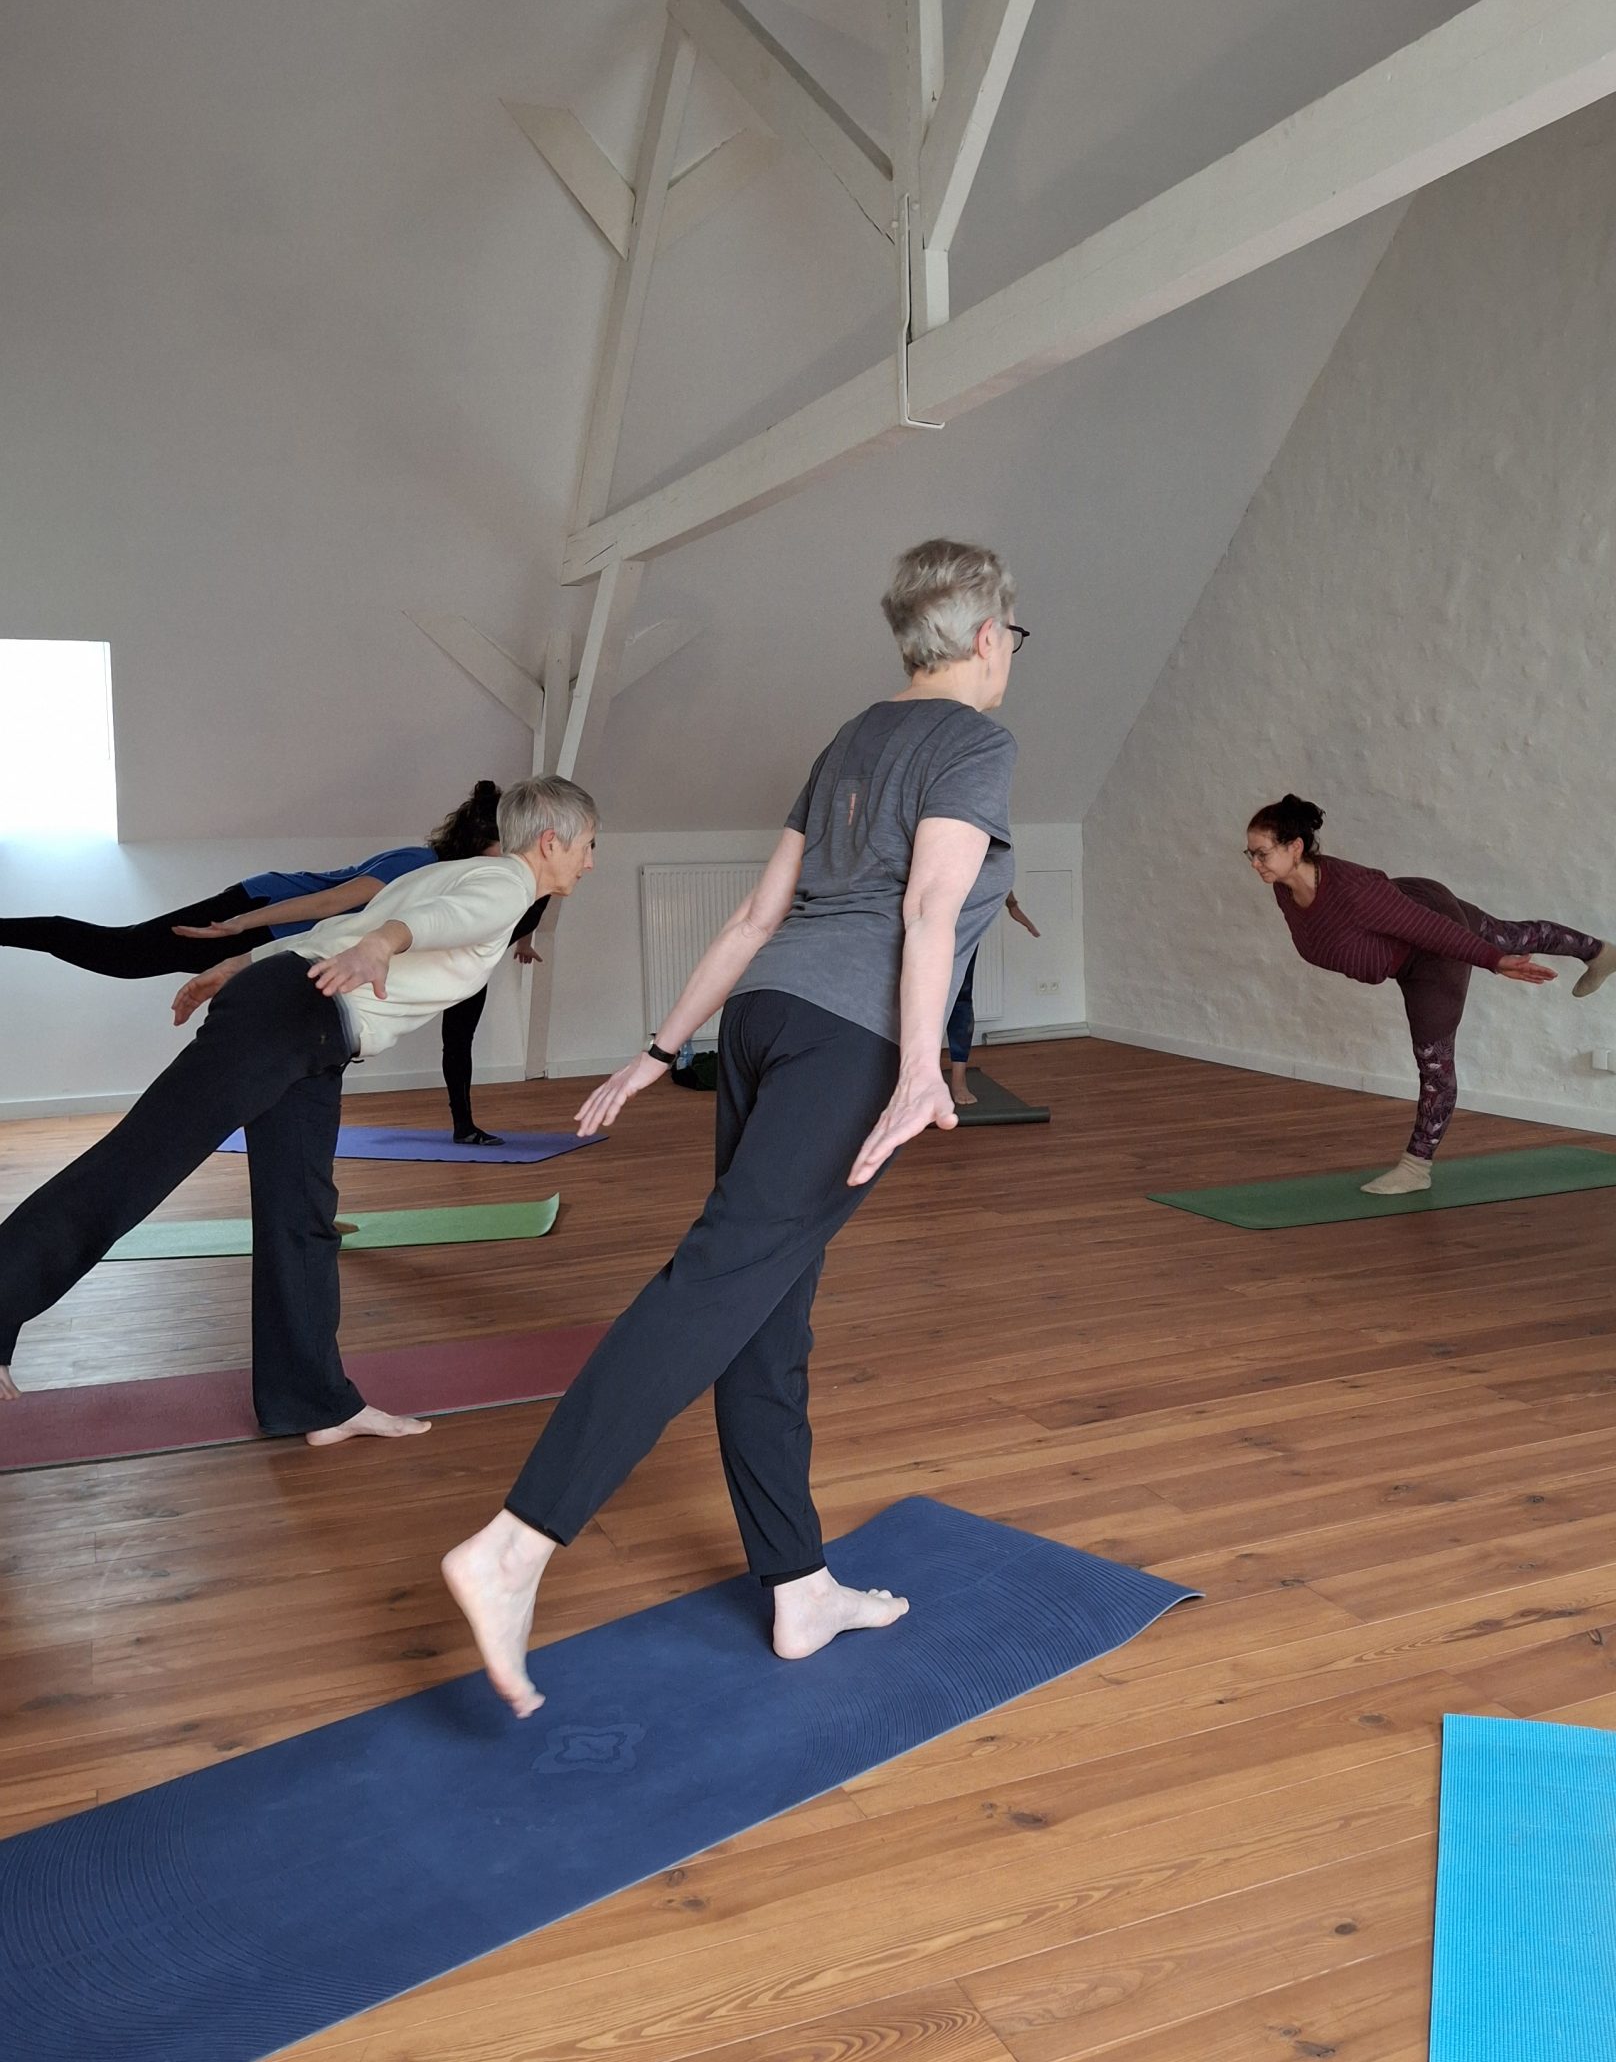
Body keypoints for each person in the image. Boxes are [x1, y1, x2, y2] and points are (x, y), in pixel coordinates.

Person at [442, 539, 1025, 1716]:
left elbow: (760, 915)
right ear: (981, 637)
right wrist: (921, 1068)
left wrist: (665, 1046)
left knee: (764, 1306)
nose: (1013, 651)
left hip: (765, 1022)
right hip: (850, 1037)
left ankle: (797, 1583)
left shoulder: (851, 739)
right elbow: (927, 905)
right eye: (1013, 632)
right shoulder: (977, 741)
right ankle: (516, 1541)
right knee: (718, 1281)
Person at [0, 777, 598, 1441]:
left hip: (307, 1026)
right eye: (590, 845)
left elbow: (343, 924)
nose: (591, 860)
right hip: (294, 1018)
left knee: (302, 1214)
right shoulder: (506, 885)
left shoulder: (455, 872)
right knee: (138, 1164)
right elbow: (426, 926)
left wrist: (245, 963)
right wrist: (386, 944)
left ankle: (314, 1400)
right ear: (552, 842)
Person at [0, 780, 544, 1145]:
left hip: (278, 935)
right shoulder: (418, 863)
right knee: (120, 954)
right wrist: (240, 926)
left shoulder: (462, 881)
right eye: (506, 848)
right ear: (479, 842)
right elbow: (331, 903)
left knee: (125, 956)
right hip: (264, 909)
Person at [1245, 794, 1616, 1195]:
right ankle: (1602, 952)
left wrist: (1494, 962)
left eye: (1262, 854)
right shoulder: (1285, 888)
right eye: (1250, 854)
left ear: (1295, 847)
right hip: (1418, 904)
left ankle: (1415, 1168)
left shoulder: (1352, 890)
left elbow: (1434, 932)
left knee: (1434, 1062)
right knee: (1510, 934)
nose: (1255, 864)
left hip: (1430, 955)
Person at [945, 889, 1039, 1108]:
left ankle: (958, 1079)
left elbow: (995, 861)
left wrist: (1012, 904)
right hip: (922, 917)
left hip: (965, 923)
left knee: (961, 994)